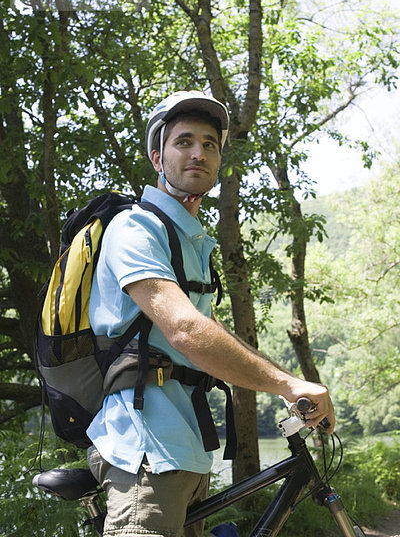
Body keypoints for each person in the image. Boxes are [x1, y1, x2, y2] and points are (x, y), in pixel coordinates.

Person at [87, 90, 335, 537]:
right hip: (145, 449)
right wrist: (287, 382)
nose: (198, 152)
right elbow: (185, 330)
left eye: (210, 143)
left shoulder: (192, 241)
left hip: (185, 449)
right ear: (157, 157)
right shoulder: (135, 226)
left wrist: (285, 385)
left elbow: (209, 328)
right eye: (184, 141)